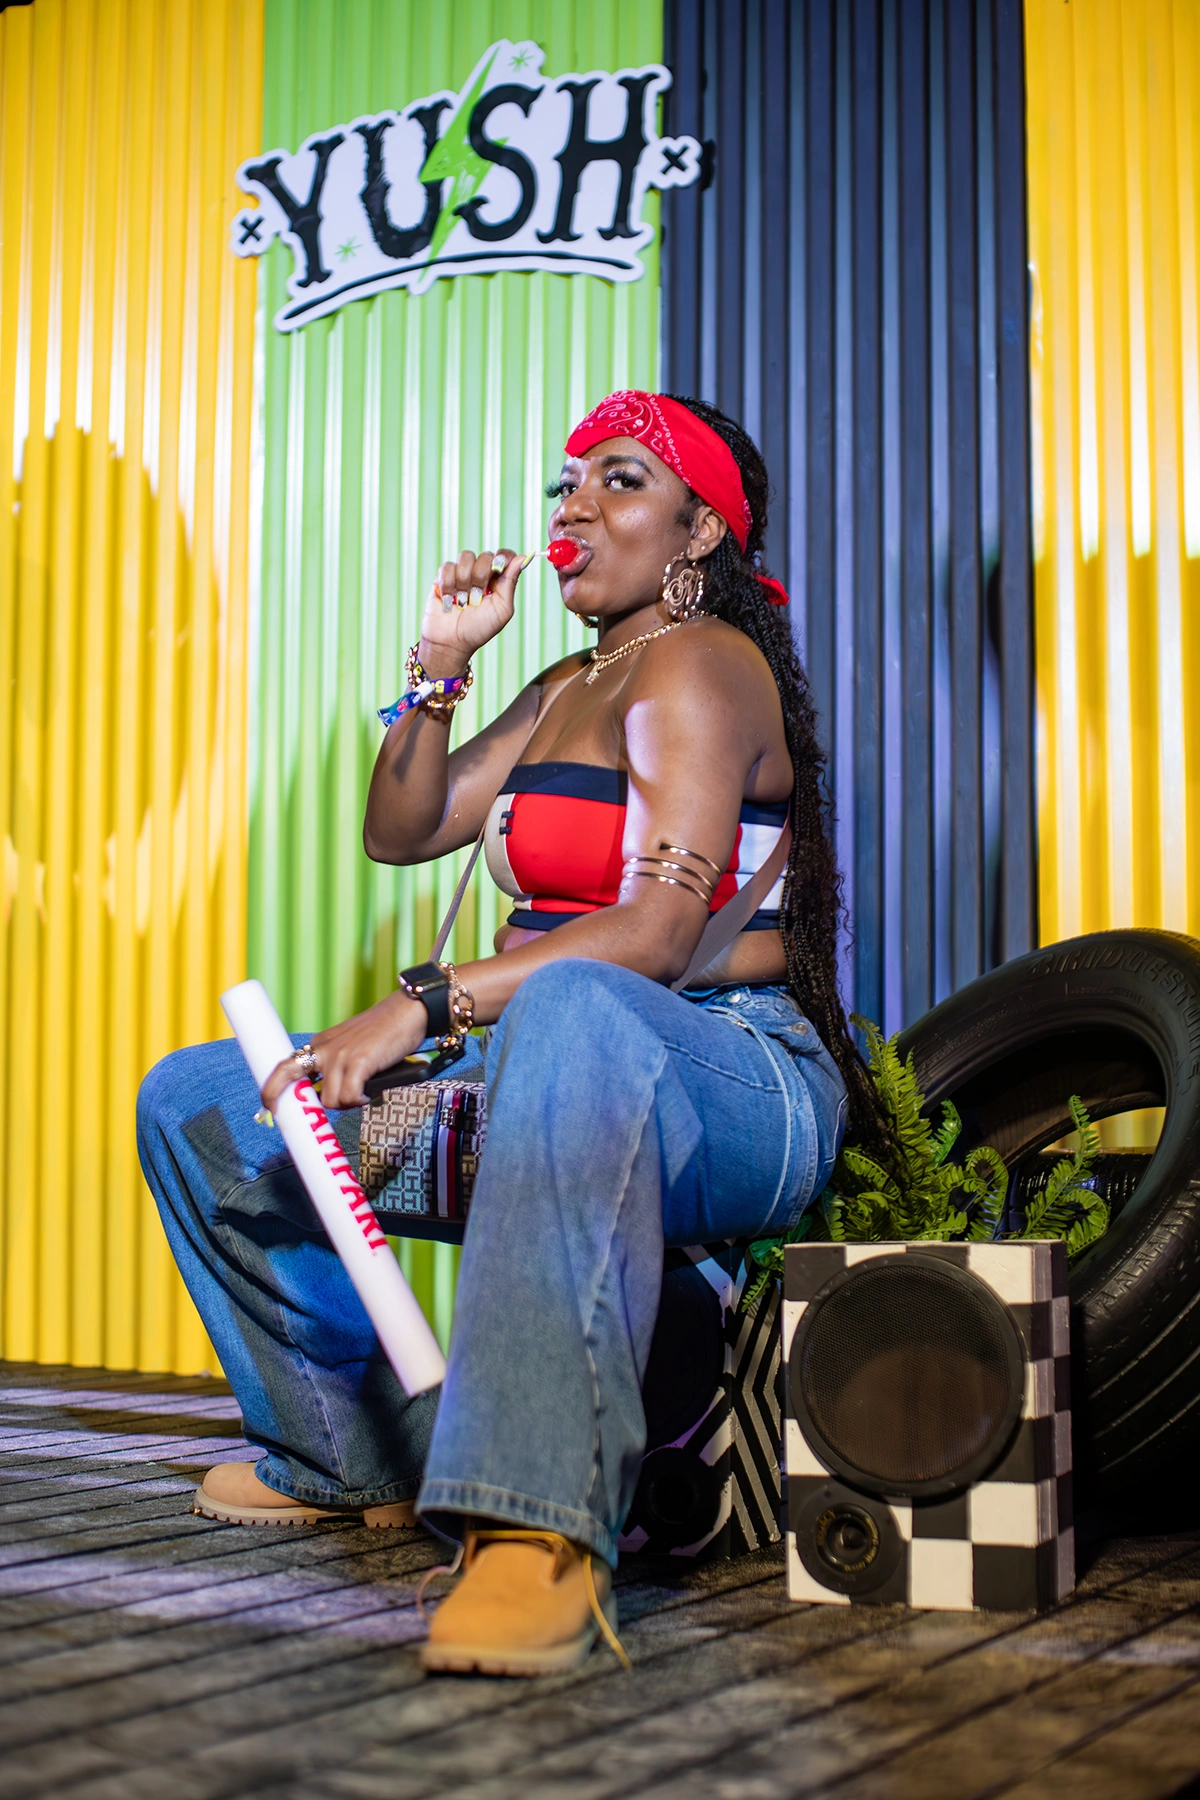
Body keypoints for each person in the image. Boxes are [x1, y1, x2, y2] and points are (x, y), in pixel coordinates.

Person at [138, 390, 872, 1678]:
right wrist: (440, 663)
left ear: (702, 530)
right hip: (538, 1081)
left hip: (728, 1074)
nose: (575, 505)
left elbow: (655, 937)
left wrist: (424, 1002)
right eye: (568, 483)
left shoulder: (706, 666)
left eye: (622, 480)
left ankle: (535, 1529)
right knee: (208, 1104)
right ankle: (352, 1457)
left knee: (579, 1007)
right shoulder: (567, 684)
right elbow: (403, 828)